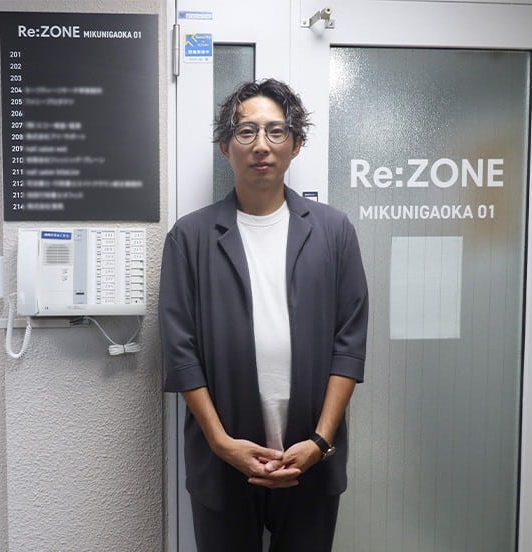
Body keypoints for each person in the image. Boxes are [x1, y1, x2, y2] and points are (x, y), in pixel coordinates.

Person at [159, 78, 368, 551]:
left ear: (296, 144)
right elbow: (180, 352)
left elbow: (350, 343)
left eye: (276, 131)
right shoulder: (190, 238)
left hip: (312, 457)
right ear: (224, 146)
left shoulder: (333, 232)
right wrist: (220, 442)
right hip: (223, 460)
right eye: (246, 131)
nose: (261, 145)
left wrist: (320, 441)